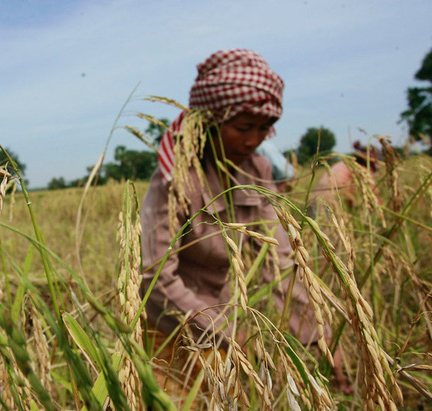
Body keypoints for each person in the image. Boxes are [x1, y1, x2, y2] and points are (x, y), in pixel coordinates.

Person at [140, 49, 351, 393]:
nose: (254, 141)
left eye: (265, 128)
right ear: (209, 121)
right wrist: (228, 333)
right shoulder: (174, 180)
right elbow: (155, 279)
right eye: (243, 128)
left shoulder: (257, 171)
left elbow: (280, 263)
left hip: (223, 320)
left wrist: (320, 339)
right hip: (170, 325)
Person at [311, 141, 381, 209]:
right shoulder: (362, 170)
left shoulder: (341, 164)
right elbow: (373, 194)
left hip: (312, 201)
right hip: (330, 205)